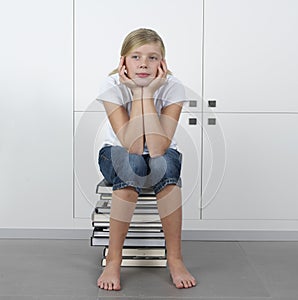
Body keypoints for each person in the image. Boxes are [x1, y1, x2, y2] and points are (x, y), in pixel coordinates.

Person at [96, 28, 196, 290]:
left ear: (162, 63)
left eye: (152, 57)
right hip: (117, 152)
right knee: (134, 165)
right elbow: (132, 145)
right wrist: (137, 93)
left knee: (164, 168)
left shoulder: (173, 87)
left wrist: (146, 93)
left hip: (159, 151)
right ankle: (113, 261)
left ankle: (174, 259)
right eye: (136, 56)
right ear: (123, 61)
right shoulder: (111, 86)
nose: (143, 64)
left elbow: (158, 146)